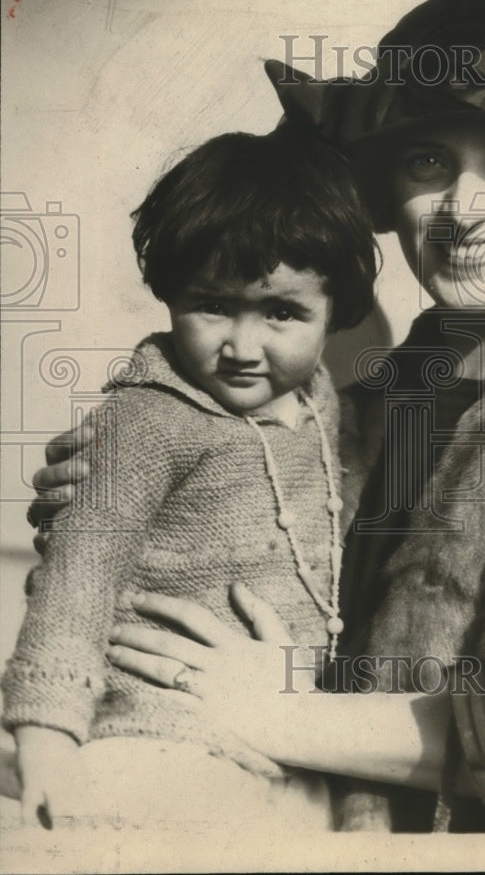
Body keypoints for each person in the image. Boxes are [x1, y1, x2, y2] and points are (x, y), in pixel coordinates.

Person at [25, 0, 485, 833]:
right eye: (429, 163)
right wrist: (121, 472)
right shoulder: (370, 404)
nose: (465, 209)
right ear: (389, 193)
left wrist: (280, 714)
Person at [2, 124, 378, 831]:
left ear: (336, 311)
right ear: (171, 293)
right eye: (212, 304)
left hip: (284, 749)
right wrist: (46, 739)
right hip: (159, 742)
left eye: (282, 313)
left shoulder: (325, 407)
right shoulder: (149, 418)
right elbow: (80, 576)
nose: (241, 346)